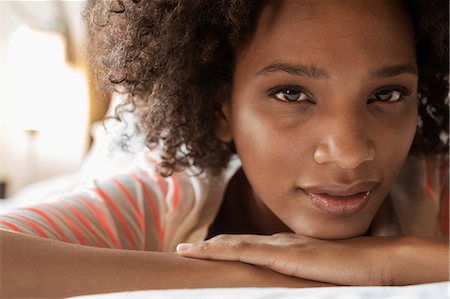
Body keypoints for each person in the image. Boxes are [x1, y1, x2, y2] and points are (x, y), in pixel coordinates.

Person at [1, 0, 448, 297]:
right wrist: (259, 275)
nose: (349, 152)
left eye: (387, 95)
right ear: (220, 108)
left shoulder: (433, 190)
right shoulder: (163, 204)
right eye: (291, 94)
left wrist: (391, 262)